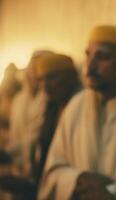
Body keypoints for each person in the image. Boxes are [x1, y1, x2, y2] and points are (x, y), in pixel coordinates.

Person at [38, 25, 116, 200]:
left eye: (103, 57)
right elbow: (53, 169)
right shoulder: (77, 105)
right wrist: (77, 179)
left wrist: (113, 192)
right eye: (88, 55)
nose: (90, 66)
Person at [0, 53, 80, 200]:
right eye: (41, 79)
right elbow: (37, 143)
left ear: (71, 76)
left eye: (52, 77)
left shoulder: (80, 105)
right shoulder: (50, 106)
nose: (45, 85)